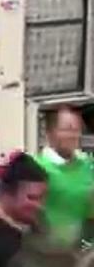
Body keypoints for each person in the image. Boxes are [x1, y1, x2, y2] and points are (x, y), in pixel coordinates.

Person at [36, 106, 94, 247]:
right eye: (67, 129)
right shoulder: (37, 167)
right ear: (49, 133)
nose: (73, 135)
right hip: (50, 251)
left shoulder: (87, 163)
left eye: (76, 129)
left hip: (83, 248)